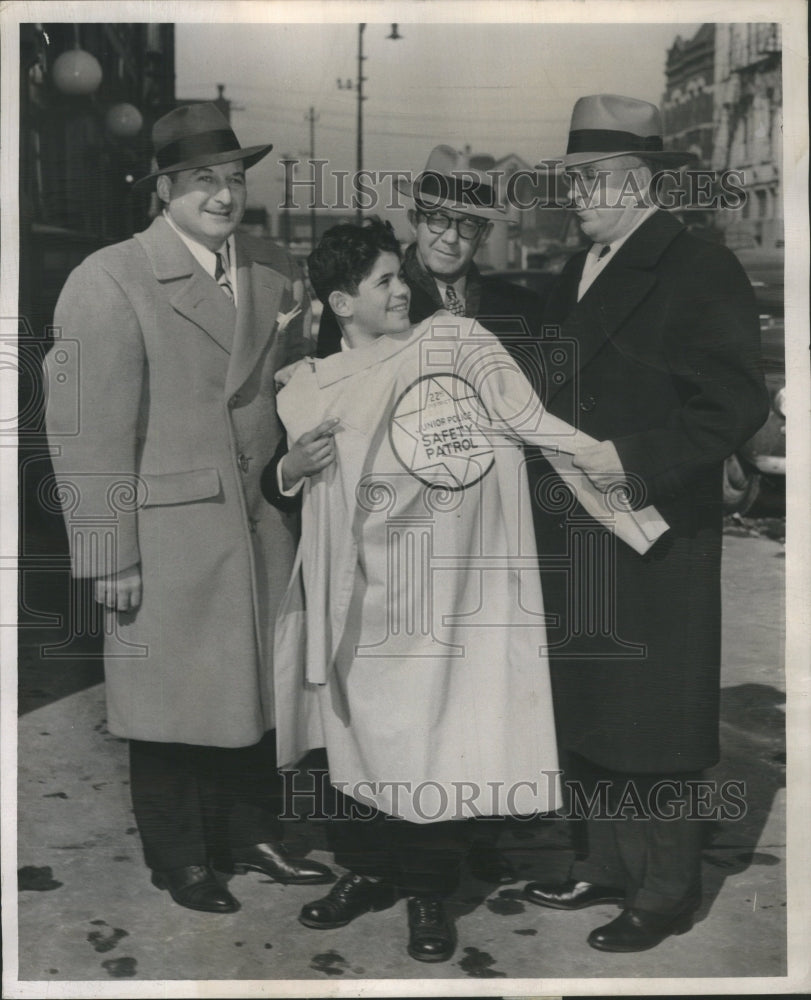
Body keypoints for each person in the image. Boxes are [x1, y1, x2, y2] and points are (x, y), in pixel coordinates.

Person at [265, 218, 666, 963]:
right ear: (340, 304)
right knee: (350, 743)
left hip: (439, 591)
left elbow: (534, 427)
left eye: (399, 275)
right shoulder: (310, 381)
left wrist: (631, 503)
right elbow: (278, 475)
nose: (401, 288)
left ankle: (428, 893)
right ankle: (364, 870)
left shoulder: (456, 343)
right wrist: (292, 466)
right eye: (385, 279)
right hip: (351, 590)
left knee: (432, 742)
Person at [44, 102, 333, 915]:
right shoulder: (108, 279)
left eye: (235, 178)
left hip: (262, 523)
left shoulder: (274, 269)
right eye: (203, 180)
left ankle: (253, 836)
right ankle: (180, 859)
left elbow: (296, 386)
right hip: (167, 536)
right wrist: (109, 557)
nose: (223, 195)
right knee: (171, 706)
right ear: (162, 189)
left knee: (255, 696)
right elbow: (82, 430)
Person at [522, 94, 770, 952]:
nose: (573, 196)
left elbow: (733, 402)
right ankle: (603, 863)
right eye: (568, 181)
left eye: (586, 180)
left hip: (657, 529)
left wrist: (633, 455)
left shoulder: (698, 268)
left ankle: (664, 892)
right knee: (591, 698)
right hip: (577, 528)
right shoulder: (578, 265)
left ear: (637, 181)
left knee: (655, 714)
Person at [314, 145, 545, 885]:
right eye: (439, 221)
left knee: (460, 704)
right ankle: (369, 867)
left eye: (468, 227)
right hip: (386, 542)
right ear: (416, 220)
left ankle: (434, 881)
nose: (450, 238)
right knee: (376, 702)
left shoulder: (511, 309)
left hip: (477, 548)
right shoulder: (375, 289)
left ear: (485, 235)